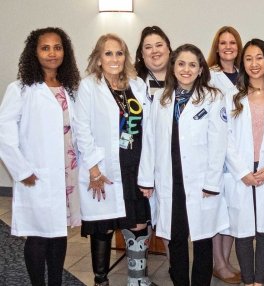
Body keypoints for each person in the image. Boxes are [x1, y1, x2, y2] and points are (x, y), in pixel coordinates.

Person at [137, 44, 229, 286]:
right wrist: (146, 180)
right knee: (176, 239)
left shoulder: (212, 98)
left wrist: (212, 182)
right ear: (173, 67)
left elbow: (219, 143)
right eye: (181, 64)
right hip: (170, 181)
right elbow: (150, 140)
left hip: (201, 183)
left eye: (192, 65)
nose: (186, 69)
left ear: (200, 70)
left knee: (202, 239)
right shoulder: (160, 99)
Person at [0, 27, 80, 286]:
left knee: (58, 233)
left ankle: (55, 282)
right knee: (38, 235)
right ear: (34, 53)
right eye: (45, 48)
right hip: (36, 175)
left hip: (66, 173)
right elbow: (4, 134)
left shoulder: (70, 89)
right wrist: (22, 171)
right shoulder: (21, 89)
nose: (52, 53)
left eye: (57, 47)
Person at [74, 34, 154, 286]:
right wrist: (94, 169)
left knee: (138, 221)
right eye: (108, 53)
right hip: (105, 167)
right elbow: (81, 128)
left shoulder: (137, 84)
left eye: (119, 53)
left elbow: (148, 125)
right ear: (98, 58)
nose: (114, 58)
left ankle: (137, 279)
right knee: (103, 225)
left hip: (135, 165)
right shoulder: (89, 86)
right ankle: (101, 280)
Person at [224, 38, 264, 286]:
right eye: (248, 58)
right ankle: (247, 281)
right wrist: (241, 170)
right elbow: (225, 138)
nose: (254, 63)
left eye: (259, 57)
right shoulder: (231, 97)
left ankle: (259, 282)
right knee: (242, 230)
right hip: (241, 171)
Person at [206, 25, 243, 284]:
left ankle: (226, 261)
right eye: (223, 43)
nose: (228, 47)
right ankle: (218, 262)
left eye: (232, 42)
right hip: (217, 154)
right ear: (216, 48)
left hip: (240, 152)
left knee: (232, 212)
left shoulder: (245, 75)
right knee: (217, 211)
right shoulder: (209, 76)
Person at [135, 25, 172, 100]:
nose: (154, 51)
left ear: (168, 49)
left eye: (159, 45)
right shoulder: (133, 80)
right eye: (148, 47)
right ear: (142, 53)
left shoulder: (182, 77)